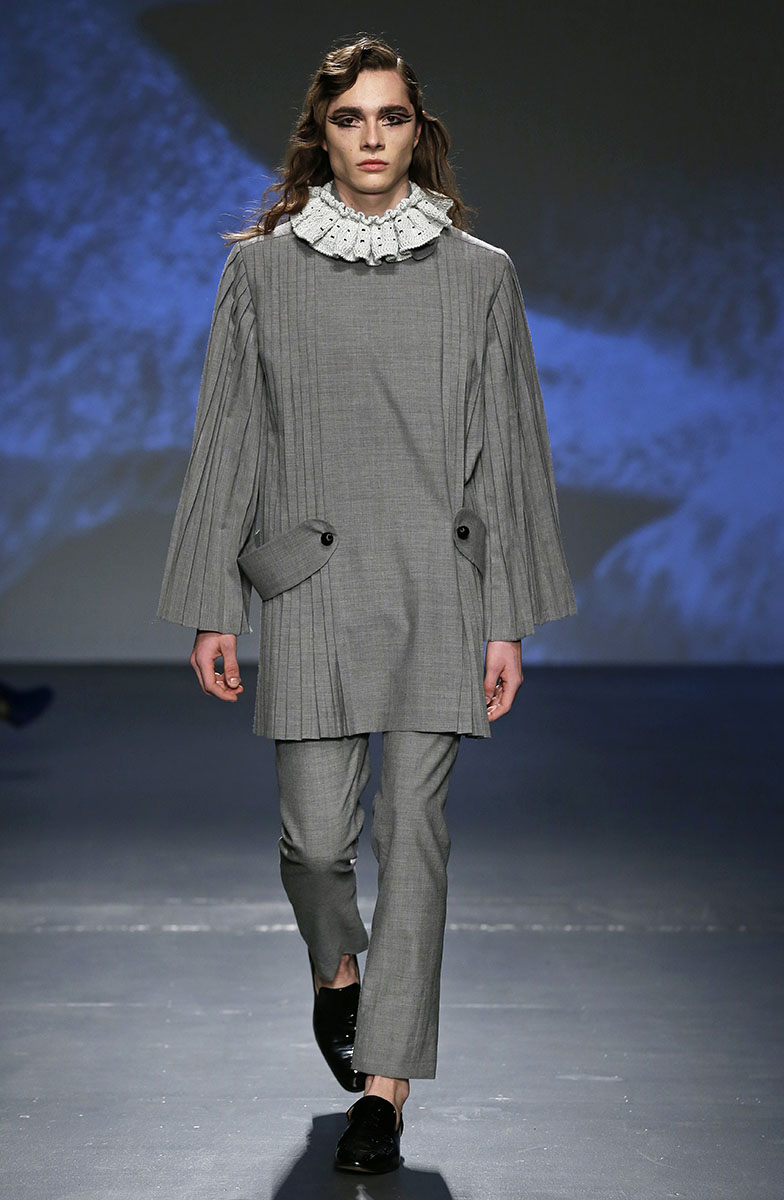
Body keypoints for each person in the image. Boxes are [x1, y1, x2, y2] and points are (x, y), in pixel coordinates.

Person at [158, 34, 576, 1174]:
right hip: (313, 583)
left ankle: (383, 1091)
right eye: (351, 119)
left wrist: (504, 618)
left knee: (414, 838)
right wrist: (214, 605)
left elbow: (509, 454)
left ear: (417, 131)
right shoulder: (262, 272)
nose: (373, 137)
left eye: (392, 117)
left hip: (437, 586)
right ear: (322, 135)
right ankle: (339, 976)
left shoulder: (479, 274)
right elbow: (229, 440)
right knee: (311, 845)